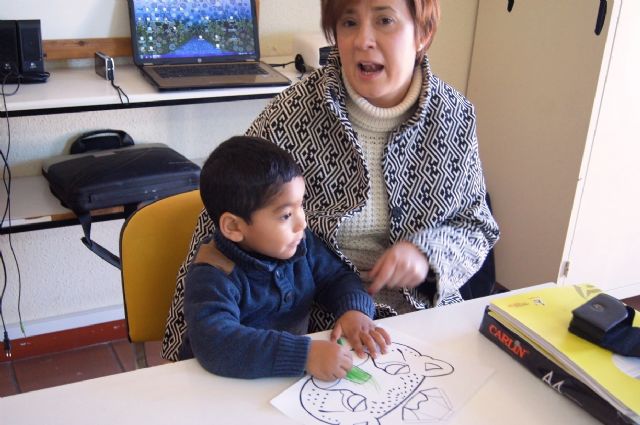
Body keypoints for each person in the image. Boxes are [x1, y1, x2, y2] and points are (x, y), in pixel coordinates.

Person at [161, 0, 499, 361]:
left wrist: (426, 254)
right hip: (313, 324)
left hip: (422, 317)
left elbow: (476, 225)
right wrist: (187, 352)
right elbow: (223, 221)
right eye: (349, 22)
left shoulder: (454, 117)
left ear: (423, 33)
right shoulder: (294, 113)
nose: (362, 39)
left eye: (384, 20)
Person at [180, 136, 390, 379]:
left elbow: (336, 277)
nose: (302, 222)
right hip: (215, 386)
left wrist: (354, 309)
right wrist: (304, 355)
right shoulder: (213, 274)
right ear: (234, 227)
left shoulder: (300, 243)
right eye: (285, 215)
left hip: (280, 382)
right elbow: (216, 343)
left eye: (301, 205)